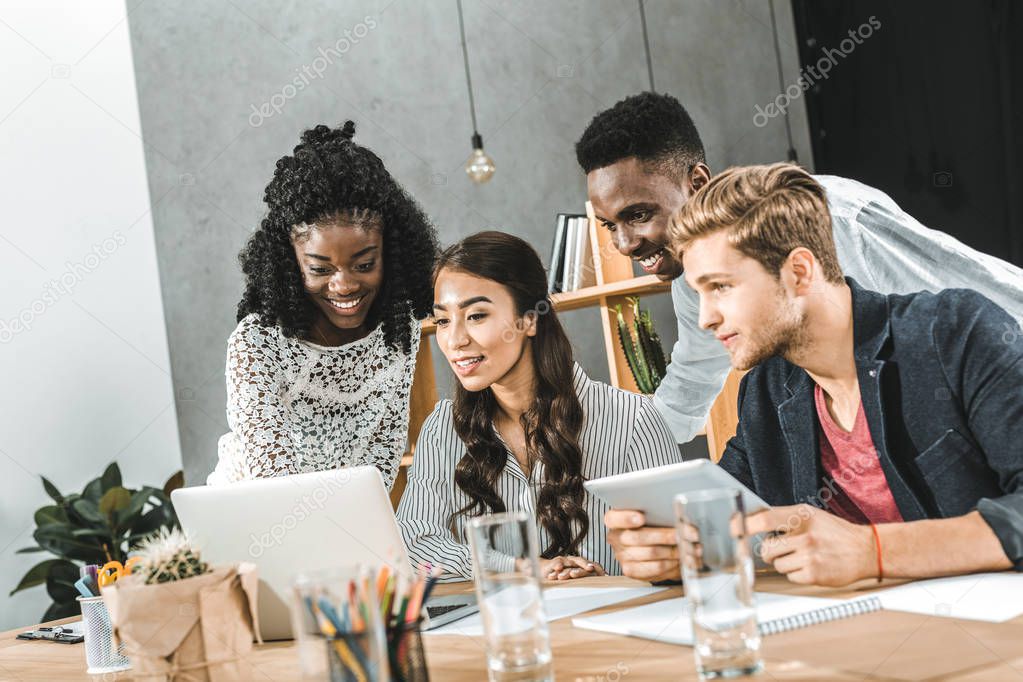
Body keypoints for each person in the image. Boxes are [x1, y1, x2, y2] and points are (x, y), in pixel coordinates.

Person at [575, 92, 1023, 582]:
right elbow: (722, 501)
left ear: (799, 272)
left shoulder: (948, 328)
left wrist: (873, 550)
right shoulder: (766, 389)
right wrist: (670, 547)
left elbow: (979, 307)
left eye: (722, 288)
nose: (706, 319)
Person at [396, 232, 682, 581]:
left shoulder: (633, 419)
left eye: (476, 316)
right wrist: (521, 568)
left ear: (529, 319)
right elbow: (413, 546)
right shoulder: (443, 428)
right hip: (504, 630)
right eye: (442, 320)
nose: (455, 340)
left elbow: (678, 554)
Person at [207, 121, 438, 488]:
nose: (344, 285)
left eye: (364, 265)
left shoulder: (399, 330)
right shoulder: (257, 344)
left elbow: (381, 466)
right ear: (290, 263)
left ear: (391, 254)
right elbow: (273, 483)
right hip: (253, 520)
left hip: (343, 521)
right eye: (320, 268)